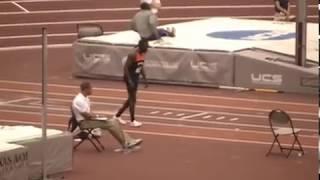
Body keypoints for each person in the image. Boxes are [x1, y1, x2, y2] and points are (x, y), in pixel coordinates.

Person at [72, 81, 143, 149]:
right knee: (110, 124)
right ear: (86, 89)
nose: (92, 90)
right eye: (91, 88)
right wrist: (98, 117)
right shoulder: (79, 100)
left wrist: (99, 117)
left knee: (114, 121)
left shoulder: (85, 98)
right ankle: (126, 143)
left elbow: (88, 113)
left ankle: (129, 141)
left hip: (88, 120)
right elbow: (86, 115)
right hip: (84, 123)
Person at [113, 39, 149, 127]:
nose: (147, 49)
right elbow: (126, 68)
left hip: (136, 77)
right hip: (130, 77)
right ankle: (132, 120)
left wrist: (145, 79)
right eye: (146, 47)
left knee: (130, 99)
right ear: (141, 47)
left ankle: (117, 116)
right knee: (133, 99)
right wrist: (129, 81)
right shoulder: (133, 54)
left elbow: (141, 66)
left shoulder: (142, 54)